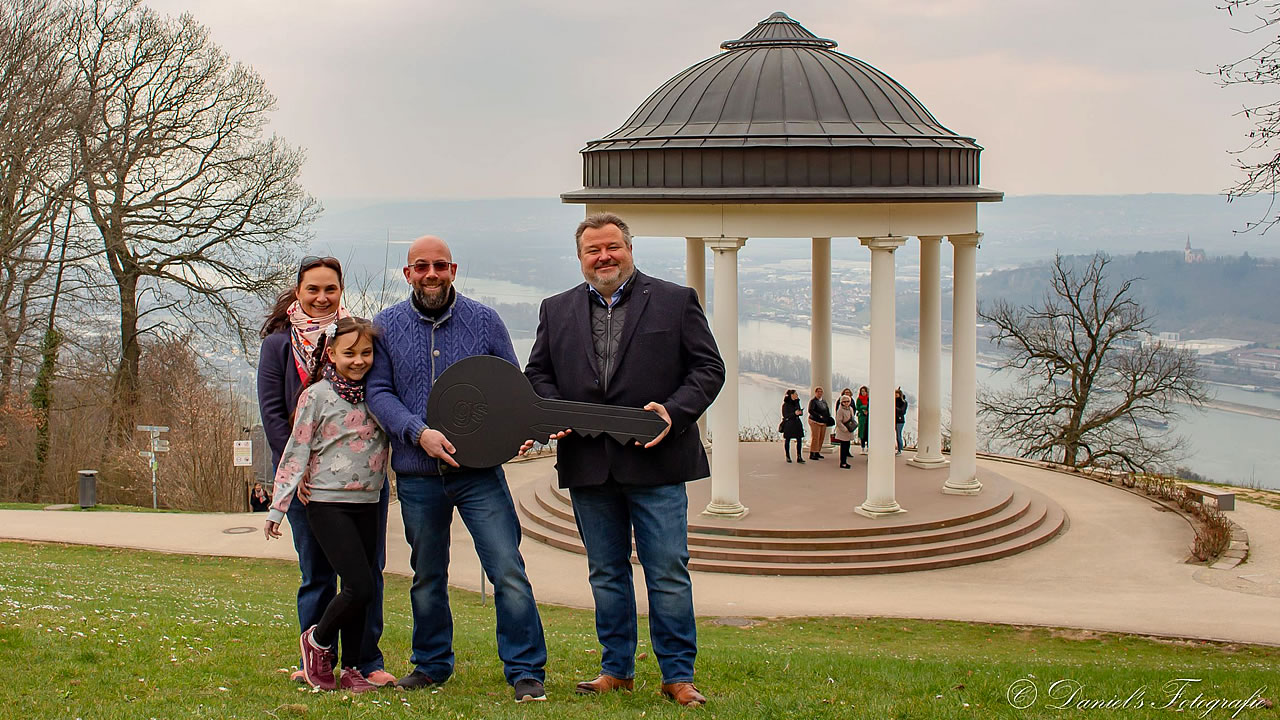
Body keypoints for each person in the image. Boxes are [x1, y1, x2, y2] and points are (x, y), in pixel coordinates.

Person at [523, 212, 725, 707]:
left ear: (629, 249)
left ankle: (678, 675)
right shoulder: (556, 309)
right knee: (606, 572)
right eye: (593, 250)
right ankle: (617, 670)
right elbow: (537, 374)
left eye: (612, 247)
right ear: (580, 258)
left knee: (668, 571)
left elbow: (708, 368)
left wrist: (673, 413)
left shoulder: (676, 301)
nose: (604, 257)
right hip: (589, 464)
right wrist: (552, 411)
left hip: (657, 462)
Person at [365, 235, 548, 703]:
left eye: (440, 266)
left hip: (479, 473)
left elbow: (511, 386)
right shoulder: (385, 326)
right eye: (421, 266)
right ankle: (430, 665)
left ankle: (526, 670)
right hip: (418, 473)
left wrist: (519, 429)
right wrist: (417, 431)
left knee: (507, 568)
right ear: (407, 274)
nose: (431, 274)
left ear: (454, 270)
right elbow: (379, 393)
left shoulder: (485, 321)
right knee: (427, 575)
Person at [256, 256, 393, 687]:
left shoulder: (360, 340)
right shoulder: (279, 345)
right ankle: (315, 658)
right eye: (312, 289)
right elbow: (276, 417)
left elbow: (386, 402)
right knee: (317, 572)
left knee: (366, 575)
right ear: (298, 292)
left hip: (365, 486)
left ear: (340, 292)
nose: (321, 297)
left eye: (329, 289)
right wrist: (296, 480)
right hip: (311, 485)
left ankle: (363, 661)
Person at [780, 389, 805, 463]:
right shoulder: (785, 404)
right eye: (795, 394)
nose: (797, 395)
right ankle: (788, 456)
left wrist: (800, 412)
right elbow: (785, 415)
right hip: (789, 424)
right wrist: (794, 413)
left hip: (797, 423)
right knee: (787, 440)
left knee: (799, 439)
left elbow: (799, 412)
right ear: (791, 395)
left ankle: (799, 456)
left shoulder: (797, 402)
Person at [807, 386, 832, 460]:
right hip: (815, 421)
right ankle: (812, 453)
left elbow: (827, 410)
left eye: (821, 392)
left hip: (823, 422)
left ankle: (817, 452)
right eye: (818, 392)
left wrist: (827, 417)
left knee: (821, 437)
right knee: (816, 437)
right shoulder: (813, 401)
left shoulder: (824, 401)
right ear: (815, 393)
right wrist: (819, 416)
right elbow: (811, 410)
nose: (819, 393)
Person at [833, 394, 856, 469]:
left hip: (849, 430)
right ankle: (842, 462)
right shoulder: (840, 410)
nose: (846, 403)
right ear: (841, 402)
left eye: (848, 401)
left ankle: (845, 461)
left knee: (847, 446)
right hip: (843, 431)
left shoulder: (851, 409)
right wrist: (844, 429)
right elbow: (838, 421)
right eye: (844, 401)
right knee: (843, 447)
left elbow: (852, 418)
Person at [855, 386, 870, 453]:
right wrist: (863, 409)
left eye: (864, 391)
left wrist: (867, 410)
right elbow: (857, 407)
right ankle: (862, 447)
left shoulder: (869, 399)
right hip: (861, 417)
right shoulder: (859, 399)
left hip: (868, 417)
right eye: (862, 391)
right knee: (862, 432)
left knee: (868, 432)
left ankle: (868, 447)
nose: (863, 393)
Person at [895, 388, 909, 455]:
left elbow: (902, 411)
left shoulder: (904, 402)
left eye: (896, 394)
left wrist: (895, 407)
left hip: (900, 421)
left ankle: (900, 449)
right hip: (893, 420)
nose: (895, 395)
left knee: (898, 435)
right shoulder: (894, 401)